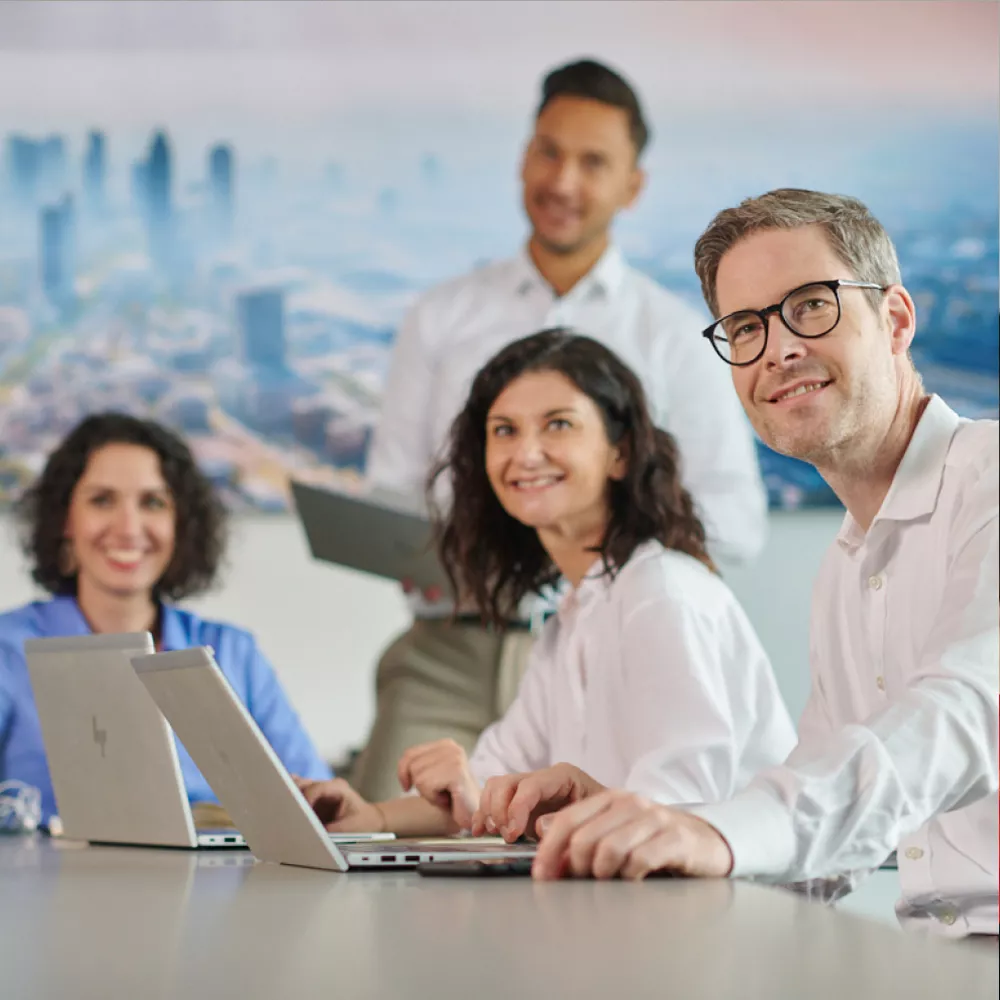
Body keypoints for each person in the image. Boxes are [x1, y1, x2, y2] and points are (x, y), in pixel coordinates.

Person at [530, 190, 999, 939]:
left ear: (897, 320)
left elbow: (964, 717)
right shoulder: (845, 569)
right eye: (746, 327)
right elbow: (817, 844)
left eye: (810, 306)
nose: (777, 349)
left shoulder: (992, 481)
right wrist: (648, 828)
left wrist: (717, 835)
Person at [354, 58, 766, 801]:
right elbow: (394, 491)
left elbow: (736, 521)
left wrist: (601, 553)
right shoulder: (442, 316)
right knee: (384, 854)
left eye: (593, 161)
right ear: (523, 157)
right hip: (455, 640)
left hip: (620, 636)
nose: (564, 181)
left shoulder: (673, 337)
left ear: (632, 185)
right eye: (549, 152)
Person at [296, 330, 795, 836]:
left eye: (558, 425)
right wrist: (372, 816)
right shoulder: (570, 620)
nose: (526, 454)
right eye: (504, 431)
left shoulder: (661, 594)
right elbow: (493, 780)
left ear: (620, 453)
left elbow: (678, 813)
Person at [0, 413, 331, 827]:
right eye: (102, 500)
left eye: (153, 502)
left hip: (220, 889)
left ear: (180, 524)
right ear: (66, 519)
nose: (128, 528)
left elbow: (320, 805)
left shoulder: (232, 652)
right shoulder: (8, 648)